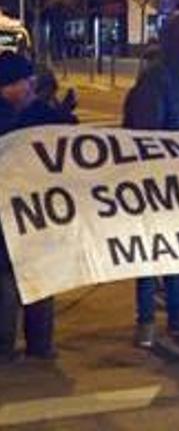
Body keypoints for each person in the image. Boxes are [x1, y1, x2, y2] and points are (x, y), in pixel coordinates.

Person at [122, 13, 179, 348]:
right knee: (150, 250)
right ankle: (146, 320)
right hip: (156, 178)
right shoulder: (156, 76)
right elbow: (148, 132)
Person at [0, 52, 76, 362]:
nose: (31, 85)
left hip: (38, 211)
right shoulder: (10, 115)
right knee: (7, 280)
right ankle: (5, 346)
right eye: (24, 81)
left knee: (40, 275)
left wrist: (65, 116)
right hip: (8, 213)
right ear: (8, 86)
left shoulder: (39, 112)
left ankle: (40, 343)